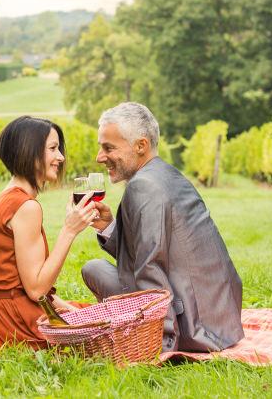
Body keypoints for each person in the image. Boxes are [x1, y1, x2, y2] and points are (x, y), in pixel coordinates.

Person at [81, 102, 244, 352]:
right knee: (101, 269)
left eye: (108, 147)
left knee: (93, 269)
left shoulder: (142, 186)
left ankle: (149, 331)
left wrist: (162, 342)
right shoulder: (167, 175)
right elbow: (159, 250)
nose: (99, 157)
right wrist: (108, 228)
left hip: (193, 327)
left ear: (140, 146)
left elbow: (150, 265)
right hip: (222, 320)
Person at [0, 116, 99, 349]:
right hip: (14, 321)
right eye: (52, 148)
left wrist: (65, 308)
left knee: (86, 312)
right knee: (102, 330)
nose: (60, 157)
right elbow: (36, 289)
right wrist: (69, 231)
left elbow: (21, 282)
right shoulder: (26, 207)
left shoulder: (5, 198)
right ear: (29, 152)